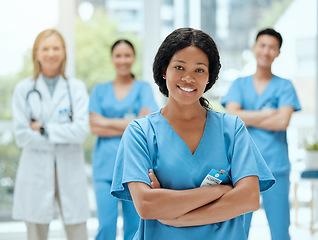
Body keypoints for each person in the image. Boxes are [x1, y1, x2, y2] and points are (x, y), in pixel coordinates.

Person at [110, 28, 275, 240]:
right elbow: (146, 205)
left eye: (199, 70)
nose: (188, 78)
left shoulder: (232, 129)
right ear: (164, 70)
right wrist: (218, 192)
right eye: (179, 67)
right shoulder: (140, 132)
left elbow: (249, 198)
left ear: (209, 77)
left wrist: (177, 216)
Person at [222, 28, 301, 240]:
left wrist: (247, 116)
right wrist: (267, 114)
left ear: (278, 53)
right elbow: (232, 117)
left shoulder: (285, 86)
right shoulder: (239, 84)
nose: (266, 51)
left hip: (276, 168)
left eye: (272, 47)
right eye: (262, 45)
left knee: (280, 230)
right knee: (239, 229)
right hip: (243, 168)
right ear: (254, 47)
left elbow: (282, 121)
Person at [11, 29, 90, 240]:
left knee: (78, 232)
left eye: (56, 48)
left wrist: (44, 129)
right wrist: (64, 134)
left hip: (69, 169)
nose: (51, 53)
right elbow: (21, 136)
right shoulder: (23, 89)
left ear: (64, 52)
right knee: (36, 232)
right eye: (45, 49)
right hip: (36, 170)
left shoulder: (76, 88)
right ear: (36, 53)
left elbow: (81, 131)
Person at [89, 39, 158, 240]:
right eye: (118, 55)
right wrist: (130, 124)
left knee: (135, 228)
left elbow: (145, 125)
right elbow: (94, 126)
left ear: (134, 58)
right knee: (106, 227)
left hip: (135, 167)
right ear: (112, 58)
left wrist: (106, 121)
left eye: (127, 55)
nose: (123, 60)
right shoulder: (99, 90)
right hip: (105, 169)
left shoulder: (143, 88)